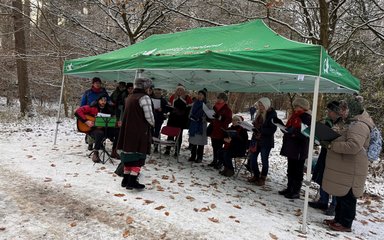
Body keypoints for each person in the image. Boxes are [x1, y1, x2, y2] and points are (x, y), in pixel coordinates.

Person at [322, 97, 373, 232]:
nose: (341, 112)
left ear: (353, 110)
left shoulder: (360, 125)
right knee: (341, 194)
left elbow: (353, 146)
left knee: (348, 198)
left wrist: (332, 145)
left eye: (344, 109)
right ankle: (338, 219)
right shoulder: (352, 122)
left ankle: (345, 223)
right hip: (346, 168)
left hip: (352, 169)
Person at [309, 100, 348, 215]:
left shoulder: (343, 124)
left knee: (334, 179)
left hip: (336, 155)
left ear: (336, 112)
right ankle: (323, 200)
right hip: (325, 152)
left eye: (330, 111)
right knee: (322, 176)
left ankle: (334, 205)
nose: (328, 113)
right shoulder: (328, 122)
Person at [117, 78, 155, 190]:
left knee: (129, 155)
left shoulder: (129, 97)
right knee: (138, 157)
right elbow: (149, 117)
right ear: (146, 88)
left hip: (128, 130)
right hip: (139, 131)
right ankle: (132, 181)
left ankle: (125, 179)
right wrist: (153, 124)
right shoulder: (144, 98)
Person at [279, 97, 312, 199]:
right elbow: (290, 127)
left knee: (297, 171)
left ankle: (296, 190)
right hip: (291, 146)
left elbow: (306, 133)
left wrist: (293, 131)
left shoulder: (306, 117)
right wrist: (285, 129)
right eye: (295, 106)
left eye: (297, 106)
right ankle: (289, 188)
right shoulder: (295, 116)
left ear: (303, 107)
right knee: (291, 169)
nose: (295, 108)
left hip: (299, 148)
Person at [75, 93, 115, 163]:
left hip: (104, 128)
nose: (103, 102)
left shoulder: (108, 108)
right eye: (102, 100)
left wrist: (117, 123)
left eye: (105, 100)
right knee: (99, 133)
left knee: (117, 131)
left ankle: (114, 151)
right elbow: (78, 112)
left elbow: (112, 120)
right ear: (98, 100)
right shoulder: (92, 107)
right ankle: (95, 153)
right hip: (92, 129)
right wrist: (86, 121)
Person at [247, 97, 278, 186]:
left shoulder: (272, 115)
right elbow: (256, 124)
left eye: (262, 105)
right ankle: (256, 175)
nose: (260, 107)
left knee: (264, 160)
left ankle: (262, 177)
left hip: (266, 141)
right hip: (255, 140)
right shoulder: (259, 113)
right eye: (259, 105)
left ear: (266, 105)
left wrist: (260, 129)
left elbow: (272, 129)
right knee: (252, 158)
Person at [164, 84, 193, 157]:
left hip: (181, 120)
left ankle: (177, 151)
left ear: (183, 91)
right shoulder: (173, 97)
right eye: (178, 90)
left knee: (178, 136)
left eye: (181, 90)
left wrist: (182, 111)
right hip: (172, 119)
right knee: (170, 134)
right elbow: (169, 106)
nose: (179, 91)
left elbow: (189, 108)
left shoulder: (187, 98)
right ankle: (168, 149)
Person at [208, 92, 233, 169]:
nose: (218, 100)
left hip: (221, 130)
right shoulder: (215, 107)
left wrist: (220, 118)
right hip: (214, 129)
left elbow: (229, 120)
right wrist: (208, 117)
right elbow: (212, 118)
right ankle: (215, 160)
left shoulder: (227, 109)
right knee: (214, 146)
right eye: (218, 98)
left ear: (224, 100)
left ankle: (220, 161)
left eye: (220, 98)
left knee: (219, 147)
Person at [188, 88, 209, 163]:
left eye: (201, 95)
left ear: (204, 96)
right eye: (199, 94)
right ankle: (193, 155)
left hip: (201, 125)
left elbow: (209, 115)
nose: (200, 96)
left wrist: (202, 118)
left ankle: (199, 157)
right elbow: (190, 113)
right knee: (193, 141)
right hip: (194, 124)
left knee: (200, 141)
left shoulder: (206, 104)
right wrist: (192, 117)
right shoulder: (195, 103)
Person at [109, 81, 129, 159]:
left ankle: (115, 150)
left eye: (123, 86)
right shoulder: (115, 92)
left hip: (121, 113)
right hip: (114, 112)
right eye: (120, 86)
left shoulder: (126, 93)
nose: (121, 87)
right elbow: (111, 99)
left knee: (118, 132)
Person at [150, 88, 169, 153]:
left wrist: (162, 110)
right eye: (156, 93)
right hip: (151, 117)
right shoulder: (150, 99)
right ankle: (149, 144)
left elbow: (167, 109)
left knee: (157, 132)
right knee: (150, 131)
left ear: (161, 94)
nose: (157, 94)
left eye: (159, 93)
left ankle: (156, 147)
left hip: (159, 118)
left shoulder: (163, 100)